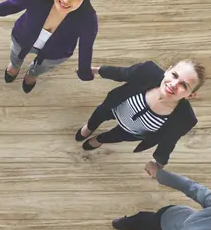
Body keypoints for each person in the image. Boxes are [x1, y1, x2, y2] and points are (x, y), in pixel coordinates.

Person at [76, 59, 204, 165]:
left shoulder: (184, 119)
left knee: (114, 136)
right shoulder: (148, 71)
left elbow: (168, 142)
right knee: (99, 115)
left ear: (190, 95)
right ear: (168, 71)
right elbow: (122, 73)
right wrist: (97, 70)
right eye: (174, 75)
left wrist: (159, 163)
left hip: (132, 132)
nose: (174, 84)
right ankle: (89, 127)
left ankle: (99, 139)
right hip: (114, 107)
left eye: (184, 85)